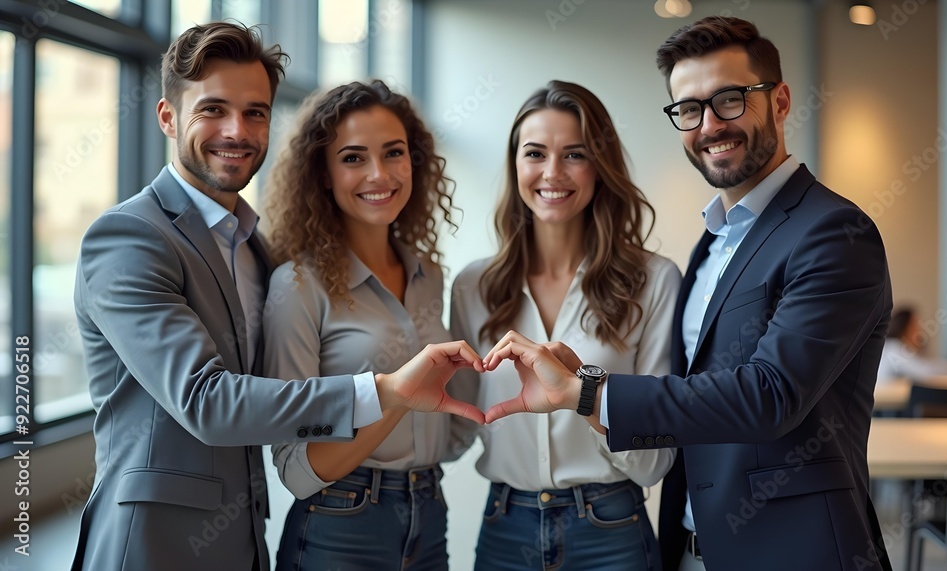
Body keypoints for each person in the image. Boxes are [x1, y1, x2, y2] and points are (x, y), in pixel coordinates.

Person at [479, 16, 894, 571]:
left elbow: (770, 394)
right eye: (689, 109)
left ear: (780, 101)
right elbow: (696, 401)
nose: (709, 125)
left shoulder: (834, 231)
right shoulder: (714, 242)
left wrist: (588, 393)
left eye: (729, 99)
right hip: (694, 548)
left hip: (793, 548)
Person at [71, 23, 483, 571]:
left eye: (256, 112)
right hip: (153, 541)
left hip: (245, 536)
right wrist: (385, 391)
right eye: (213, 109)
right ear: (168, 116)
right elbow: (207, 401)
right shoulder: (130, 236)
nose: (236, 130)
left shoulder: (256, 248)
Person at [449, 80, 681, 571]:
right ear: (515, 165)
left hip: (612, 529)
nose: (552, 172)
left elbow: (653, 462)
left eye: (574, 154)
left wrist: (584, 394)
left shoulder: (654, 281)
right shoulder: (474, 286)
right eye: (535, 152)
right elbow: (453, 430)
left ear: (601, 166)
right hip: (504, 528)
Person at [262, 80, 463, 570]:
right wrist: (398, 397)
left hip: (430, 514)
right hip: (340, 523)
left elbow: (448, 425)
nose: (379, 173)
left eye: (393, 153)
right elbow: (296, 469)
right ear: (324, 174)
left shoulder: (428, 276)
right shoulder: (297, 287)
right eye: (353, 158)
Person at [877, 306, 947, 383]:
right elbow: (928, 372)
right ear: (905, 327)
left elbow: (930, 365)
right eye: (915, 325)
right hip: (888, 408)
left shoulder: (891, 348)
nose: (920, 330)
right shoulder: (895, 349)